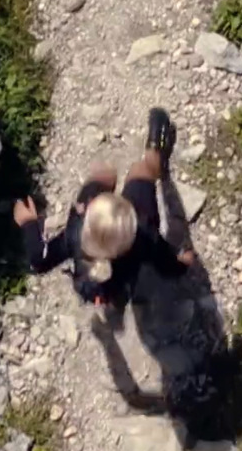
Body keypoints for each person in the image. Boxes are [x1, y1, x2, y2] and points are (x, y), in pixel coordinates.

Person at [15, 108, 195, 309]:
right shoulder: (145, 234)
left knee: (105, 174)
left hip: (99, 286)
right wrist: (182, 264)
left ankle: (109, 298)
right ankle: (155, 147)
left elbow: (39, 260)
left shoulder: (74, 233)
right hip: (124, 264)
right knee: (140, 170)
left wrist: (28, 222)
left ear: (87, 214)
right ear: (133, 225)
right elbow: (165, 262)